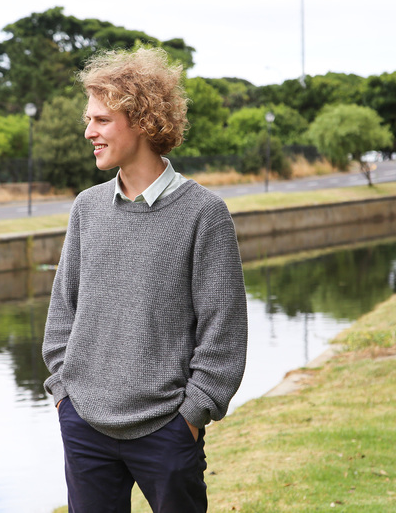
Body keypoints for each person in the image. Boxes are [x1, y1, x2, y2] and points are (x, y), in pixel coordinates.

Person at [42, 47, 248, 513]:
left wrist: (193, 414)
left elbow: (224, 330)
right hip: (84, 424)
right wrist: (63, 392)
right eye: (88, 119)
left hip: (168, 432)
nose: (89, 131)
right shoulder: (87, 208)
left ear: (140, 119)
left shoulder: (204, 214)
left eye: (102, 120)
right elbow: (62, 313)